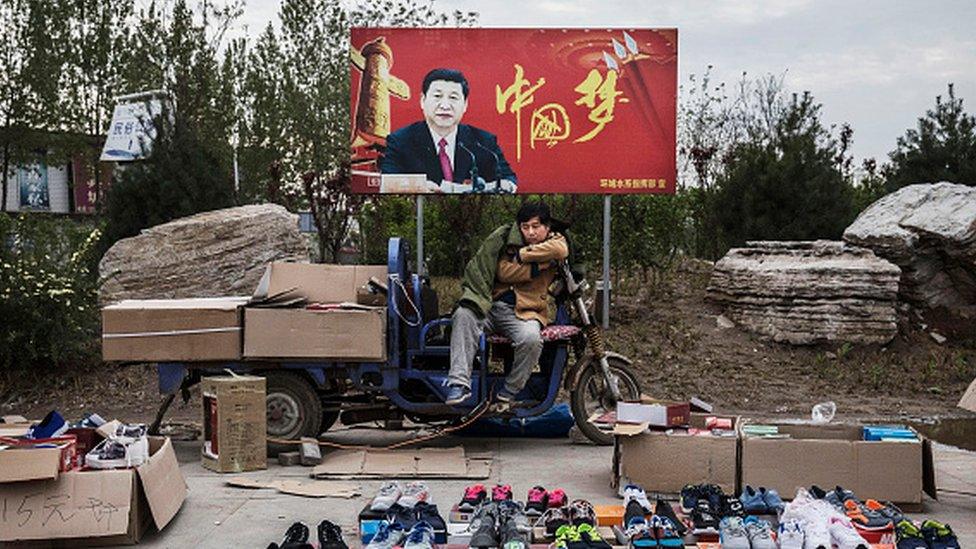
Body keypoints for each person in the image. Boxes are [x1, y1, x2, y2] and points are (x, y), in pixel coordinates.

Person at [445, 201, 568, 405]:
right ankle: (459, 384)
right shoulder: (507, 241)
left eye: (536, 227)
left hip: (525, 312)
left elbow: (560, 250)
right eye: (525, 227)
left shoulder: (556, 241)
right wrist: (540, 265)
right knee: (463, 315)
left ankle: (510, 391)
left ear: (547, 227)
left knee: (531, 339)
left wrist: (522, 256)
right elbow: (503, 271)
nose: (530, 232)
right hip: (490, 307)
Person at [380, 68, 517, 193]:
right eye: (437, 96)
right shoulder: (400, 141)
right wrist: (419, 188)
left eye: (453, 98)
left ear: (465, 105)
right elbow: (388, 183)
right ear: (423, 100)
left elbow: (509, 179)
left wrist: (491, 188)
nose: (445, 106)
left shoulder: (483, 141)